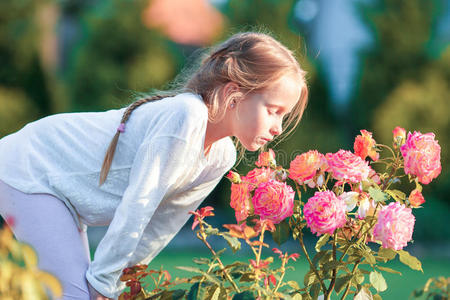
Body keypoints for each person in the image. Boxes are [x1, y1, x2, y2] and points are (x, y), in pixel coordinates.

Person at [0, 31, 308, 299]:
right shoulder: (186, 116)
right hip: (31, 168)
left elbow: (161, 225)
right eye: (273, 110)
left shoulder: (221, 155)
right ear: (233, 95)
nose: (278, 127)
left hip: (62, 192)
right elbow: (139, 206)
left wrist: (123, 282)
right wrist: (104, 284)